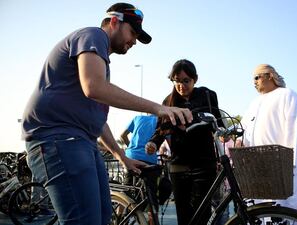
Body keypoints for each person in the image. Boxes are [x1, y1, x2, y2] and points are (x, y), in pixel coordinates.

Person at [21, 3, 192, 225]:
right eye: (132, 32)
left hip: (81, 140)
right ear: (114, 21)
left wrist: (122, 157)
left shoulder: (99, 66)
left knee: (102, 217)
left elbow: (98, 120)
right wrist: (158, 108)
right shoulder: (93, 35)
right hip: (58, 137)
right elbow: (94, 87)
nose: (133, 42)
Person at [145, 59, 224, 225]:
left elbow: (219, 124)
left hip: (204, 163)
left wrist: (224, 134)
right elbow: (160, 130)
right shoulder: (168, 101)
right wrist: (153, 143)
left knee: (202, 212)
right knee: (183, 213)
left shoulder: (207, 95)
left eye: (186, 80)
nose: (181, 85)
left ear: (195, 79)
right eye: (177, 81)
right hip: (179, 164)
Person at [239, 64, 297, 210]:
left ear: (270, 76)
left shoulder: (288, 95)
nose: (254, 82)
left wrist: (288, 163)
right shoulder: (254, 102)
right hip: (255, 164)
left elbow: (292, 131)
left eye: (257, 77)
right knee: (257, 210)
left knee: (280, 209)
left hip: (278, 164)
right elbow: (243, 129)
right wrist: (238, 139)